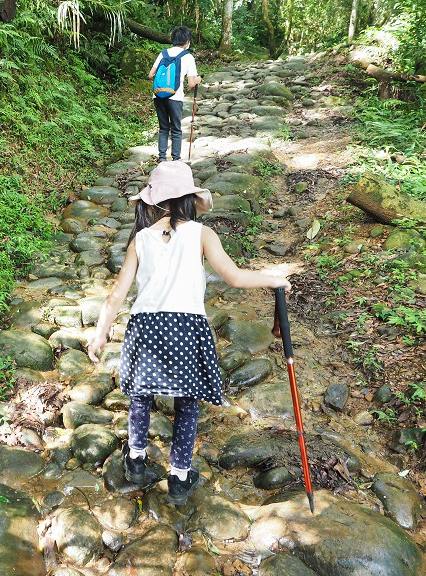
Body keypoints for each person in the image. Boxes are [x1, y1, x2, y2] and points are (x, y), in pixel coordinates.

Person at [87, 161, 291, 505]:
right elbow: (235, 277)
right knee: (187, 402)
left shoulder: (141, 239)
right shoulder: (202, 234)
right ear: (189, 200)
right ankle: (179, 477)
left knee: (141, 395)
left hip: (146, 325)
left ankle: (136, 459)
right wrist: (274, 279)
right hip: (187, 325)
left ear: (154, 201)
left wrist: (100, 334)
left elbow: (116, 295)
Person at [148, 26, 200, 163]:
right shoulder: (188, 57)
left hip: (158, 95)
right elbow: (191, 84)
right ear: (187, 41)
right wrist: (198, 80)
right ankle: (176, 159)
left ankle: (162, 158)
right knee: (176, 129)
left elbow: (151, 74)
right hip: (175, 97)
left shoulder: (163, 53)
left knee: (163, 128)